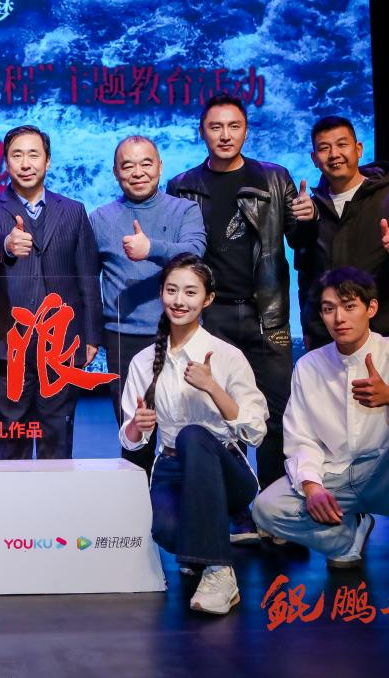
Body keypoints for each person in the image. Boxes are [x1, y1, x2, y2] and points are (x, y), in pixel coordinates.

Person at [252, 267, 389, 606]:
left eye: (349, 306)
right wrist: (312, 487)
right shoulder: (310, 366)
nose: (339, 318)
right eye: (329, 309)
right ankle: (348, 537)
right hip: (338, 477)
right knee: (266, 509)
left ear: (371, 308)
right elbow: (301, 437)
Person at [167, 92, 315, 541]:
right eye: (216, 127)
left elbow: (299, 241)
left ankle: (273, 510)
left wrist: (307, 218)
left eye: (234, 126)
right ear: (202, 132)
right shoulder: (183, 185)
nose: (225, 135)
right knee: (215, 415)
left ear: (246, 130)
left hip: (265, 316)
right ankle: (235, 511)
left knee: (274, 414)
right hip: (209, 319)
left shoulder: (273, 178)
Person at [118, 254, 268, 615]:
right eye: (171, 291)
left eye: (190, 292)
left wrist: (213, 388)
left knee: (193, 436)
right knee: (165, 531)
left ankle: (219, 570)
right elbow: (129, 439)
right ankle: (201, 543)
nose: (179, 301)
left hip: (227, 471)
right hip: (172, 469)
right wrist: (139, 424)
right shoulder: (143, 361)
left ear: (208, 299)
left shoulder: (227, 356)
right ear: (161, 293)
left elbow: (256, 431)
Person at [0, 125, 101, 459]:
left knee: (57, 439)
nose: (25, 163)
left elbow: (87, 275)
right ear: (6, 162)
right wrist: (7, 243)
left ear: (48, 161)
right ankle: (10, 495)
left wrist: (91, 335)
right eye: (17, 155)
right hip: (7, 342)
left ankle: (53, 496)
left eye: (33, 155)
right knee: (10, 438)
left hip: (62, 343)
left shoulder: (73, 210)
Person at [90, 135, 206, 474]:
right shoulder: (99, 218)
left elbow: (195, 251)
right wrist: (91, 334)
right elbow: (87, 280)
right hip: (122, 338)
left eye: (146, 164)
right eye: (128, 166)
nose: (138, 172)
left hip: (179, 336)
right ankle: (136, 501)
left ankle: (182, 500)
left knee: (184, 431)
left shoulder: (185, 210)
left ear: (160, 167)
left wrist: (150, 248)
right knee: (134, 431)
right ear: (115, 172)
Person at [294, 115, 389, 349]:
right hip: (329, 341)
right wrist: (310, 328)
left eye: (342, 144)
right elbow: (306, 276)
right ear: (314, 159)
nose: (334, 154)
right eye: (324, 148)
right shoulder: (312, 209)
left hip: (388, 334)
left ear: (359, 149)